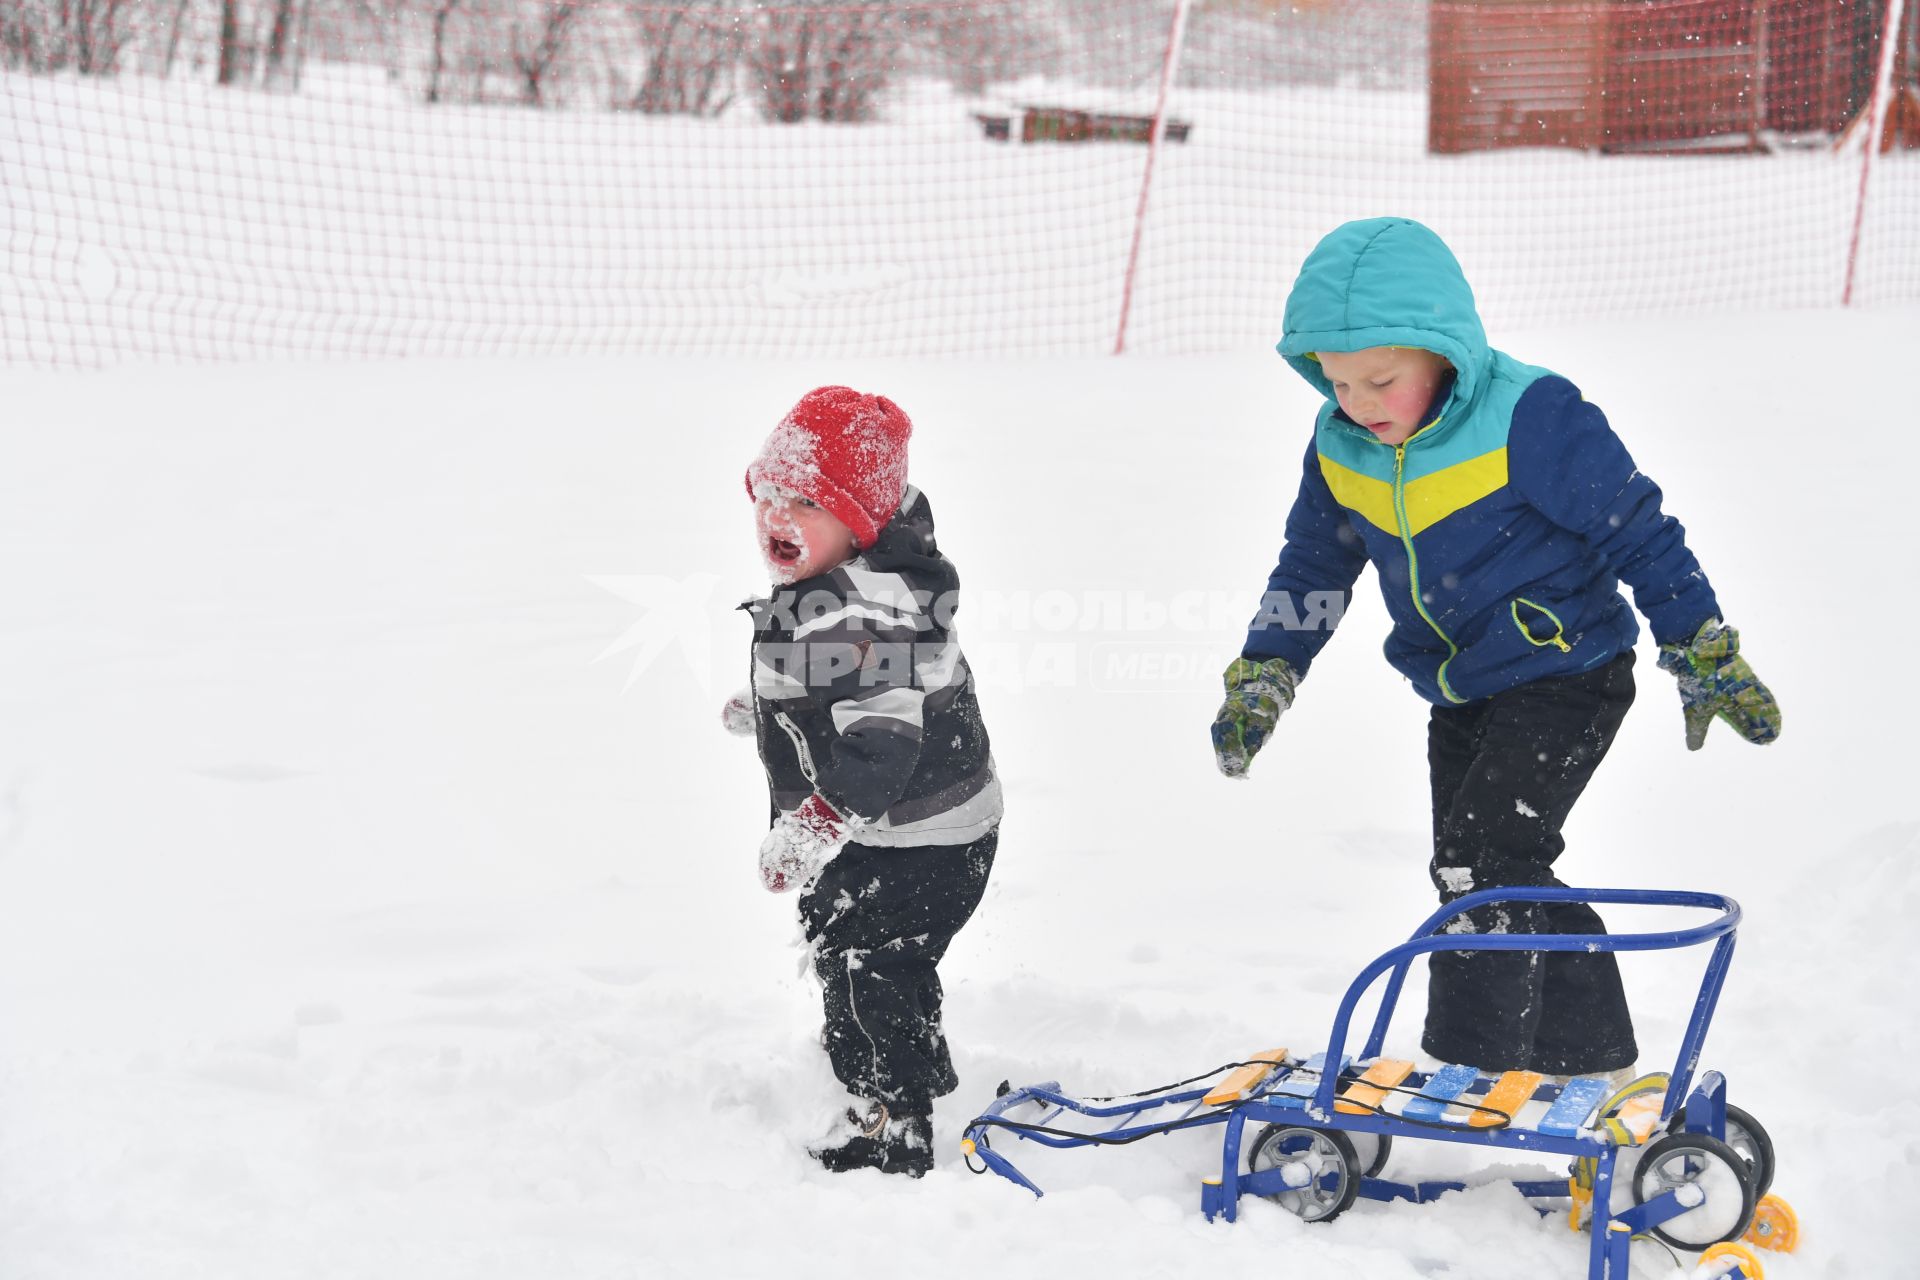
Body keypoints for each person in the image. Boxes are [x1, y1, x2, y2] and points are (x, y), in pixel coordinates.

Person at [1210, 217, 1781, 1079]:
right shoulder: (1340, 445)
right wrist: (1269, 670)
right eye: (1335, 381)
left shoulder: (1531, 415)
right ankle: (1582, 1055)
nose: (1359, 401)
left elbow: (1639, 530)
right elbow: (1312, 566)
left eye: (1380, 378)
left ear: (1443, 353)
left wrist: (1697, 644)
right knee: (1481, 866)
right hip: (1462, 687)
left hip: (1569, 673)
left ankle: (1476, 1065)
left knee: (1486, 857)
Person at [725, 385, 1002, 1177]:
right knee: (858, 950)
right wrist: (775, 710)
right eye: (767, 493)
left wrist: (809, 830)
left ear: (859, 519)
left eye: (806, 501)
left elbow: (881, 745)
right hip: (902, 824)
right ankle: (902, 1066)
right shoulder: (855, 577)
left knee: (872, 966)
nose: (778, 516)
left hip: (920, 835)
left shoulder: (868, 613)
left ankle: (896, 1123)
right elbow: (839, 682)